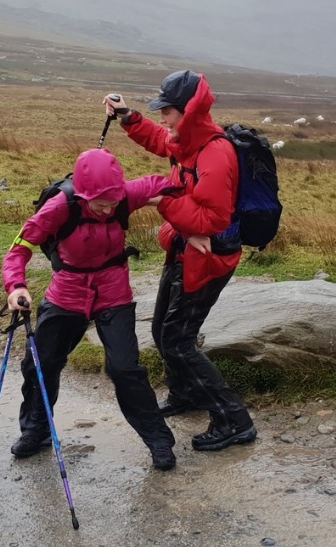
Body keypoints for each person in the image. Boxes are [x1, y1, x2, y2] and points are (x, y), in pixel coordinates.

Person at [3, 148, 178, 470]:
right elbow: (18, 250)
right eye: (102, 204)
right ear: (83, 196)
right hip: (67, 294)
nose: (109, 209)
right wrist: (16, 286)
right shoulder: (59, 207)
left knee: (126, 370)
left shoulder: (123, 196)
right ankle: (36, 431)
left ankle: (159, 442)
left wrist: (197, 195)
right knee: (40, 366)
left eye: (114, 203)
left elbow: (163, 183)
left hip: (114, 295)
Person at [110, 70, 257, 452]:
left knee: (178, 340)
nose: (163, 118)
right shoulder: (189, 140)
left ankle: (233, 420)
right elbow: (164, 142)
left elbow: (214, 220)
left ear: (189, 111)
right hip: (184, 247)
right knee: (162, 330)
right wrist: (129, 117)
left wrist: (163, 200)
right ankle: (187, 393)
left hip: (209, 259)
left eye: (168, 111)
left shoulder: (216, 152)